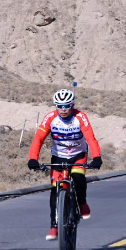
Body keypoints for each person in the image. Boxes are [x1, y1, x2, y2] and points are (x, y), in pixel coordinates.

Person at [28, 89, 102, 241]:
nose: (63, 109)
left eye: (66, 106)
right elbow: (38, 139)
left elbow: (91, 138)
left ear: (72, 105)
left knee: (78, 176)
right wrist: (32, 159)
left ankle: (82, 203)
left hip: (78, 155)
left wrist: (97, 157)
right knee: (55, 189)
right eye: (59, 106)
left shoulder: (80, 117)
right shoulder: (50, 118)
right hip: (58, 156)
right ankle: (54, 226)